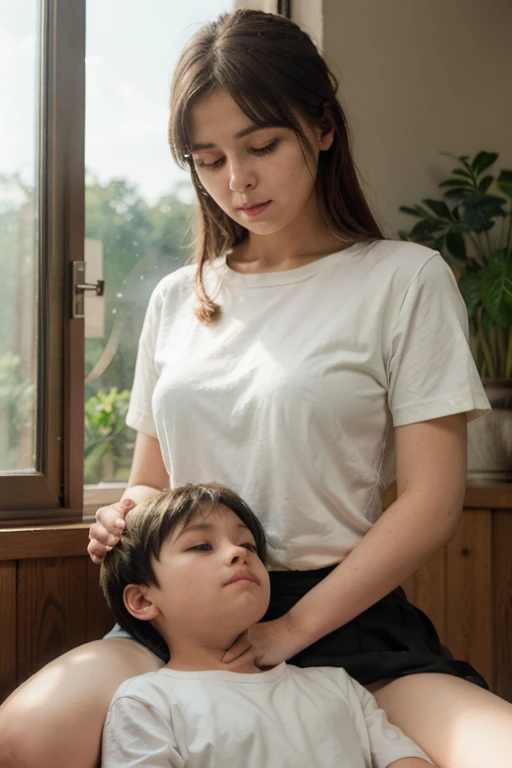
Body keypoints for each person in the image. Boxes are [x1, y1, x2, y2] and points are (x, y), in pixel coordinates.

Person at [1, 8, 511, 768]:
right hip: (183, 622)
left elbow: (431, 503)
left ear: (323, 128)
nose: (236, 181)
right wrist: (121, 518)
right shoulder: (181, 295)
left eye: (261, 145)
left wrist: (292, 630)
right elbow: (152, 484)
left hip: (346, 620)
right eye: (207, 160)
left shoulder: (404, 278)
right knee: (25, 736)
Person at [100, 481, 434, 768]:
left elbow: (404, 759)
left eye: (248, 545)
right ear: (143, 601)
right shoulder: (147, 704)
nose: (238, 553)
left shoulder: (337, 688)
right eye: (202, 546)